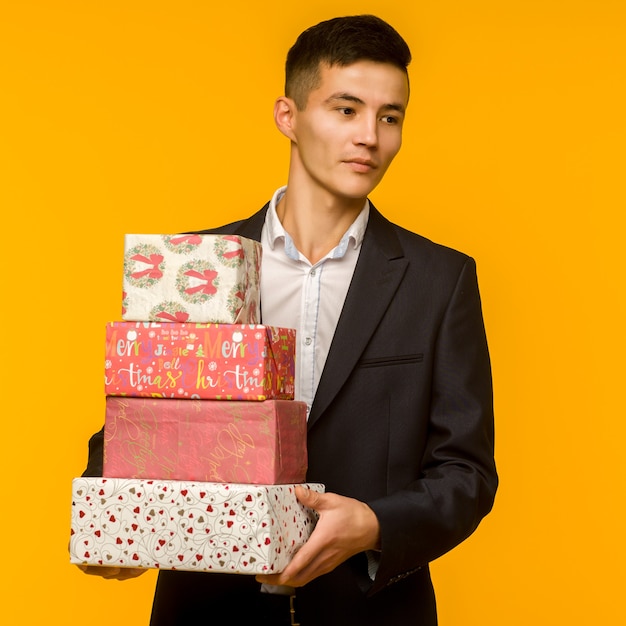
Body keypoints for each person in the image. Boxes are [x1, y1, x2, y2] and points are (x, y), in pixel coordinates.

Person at [80, 14, 498, 625]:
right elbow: (141, 423)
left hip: (369, 610)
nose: (370, 138)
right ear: (288, 116)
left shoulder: (441, 280)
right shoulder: (191, 265)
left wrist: (376, 525)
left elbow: (467, 473)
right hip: (205, 609)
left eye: (391, 117)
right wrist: (114, 516)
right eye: (346, 109)